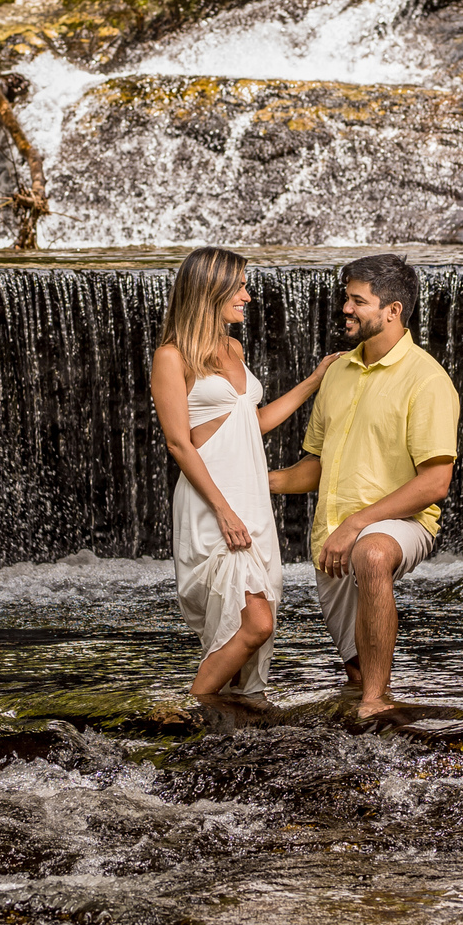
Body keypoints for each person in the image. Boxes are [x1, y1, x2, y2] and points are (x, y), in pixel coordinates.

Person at [269, 254, 460, 718]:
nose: (345, 309)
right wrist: (254, 482)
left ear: (392, 311)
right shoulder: (335, 373)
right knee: (355, 668)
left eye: (358, 301)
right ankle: (368, 705)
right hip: (332, 535)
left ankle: (376, 702)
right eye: (346, 298)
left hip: (399, 525)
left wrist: (358, 523)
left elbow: (435, 482)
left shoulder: (427, 380)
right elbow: (315, 465)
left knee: (371, 553)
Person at [151, 247, 336, 703]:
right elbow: (179, 442)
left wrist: (313, 382)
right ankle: (187, 708)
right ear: (208, 289)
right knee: (255, 622)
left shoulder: (233, 348)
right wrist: (223, 509)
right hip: (213, 502)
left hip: (249, 500)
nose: (247, 297)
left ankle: (229, 714)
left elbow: (248, 422)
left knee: (246, 620)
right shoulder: (171, 357)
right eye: (238, 287)